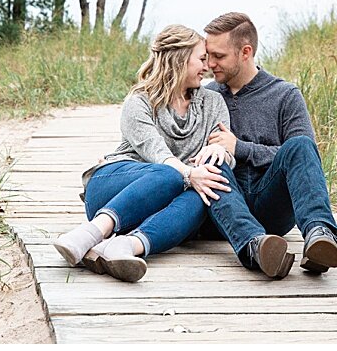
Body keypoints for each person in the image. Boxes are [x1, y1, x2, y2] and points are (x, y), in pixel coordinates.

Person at [52, 25, 234, 282]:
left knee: (203, 196)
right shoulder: (139, 101)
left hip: (157, 209)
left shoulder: (213, 102)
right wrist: (191, 173)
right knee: (170, 174)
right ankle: (91, 233)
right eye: (201, 59)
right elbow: (158, 154)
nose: (207, 67)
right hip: (113, 187)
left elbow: (225, 156)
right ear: (179, 58)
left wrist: (222, 149)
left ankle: (125, 246)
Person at [197, 11, 337, 278]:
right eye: (208, 55)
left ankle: (319, 236)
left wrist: (240, 147)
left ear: (245, 52)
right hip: (226, 205)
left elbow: (305, 160)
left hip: (272, 205)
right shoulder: (206, 96)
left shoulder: (285, 95)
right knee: (210, 160)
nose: (210, 64)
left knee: (299, 144)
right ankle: (256, 247)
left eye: (219, 56)